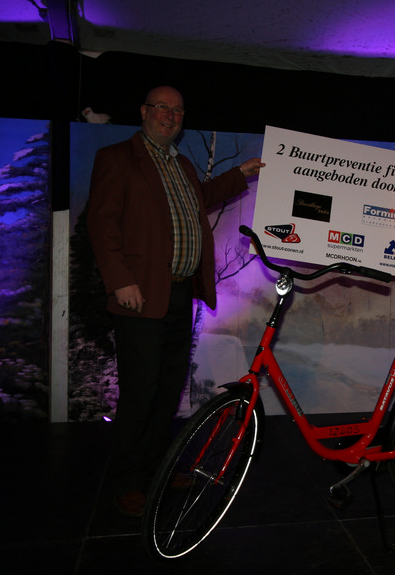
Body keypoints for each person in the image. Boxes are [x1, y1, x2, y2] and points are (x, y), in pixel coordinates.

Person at [87, 85, 264, 517]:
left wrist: (240, 173)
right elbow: (101, 224)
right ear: (143, 111)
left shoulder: (180, 164)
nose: (170, 116)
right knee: (141, 392)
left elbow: (200, 199)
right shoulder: (117, 158)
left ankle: (158, 469)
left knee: (167, 391)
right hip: (141, 294)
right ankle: (128, 481)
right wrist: (120, 281)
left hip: (180, 292)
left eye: (178, 110)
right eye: (162, 108)